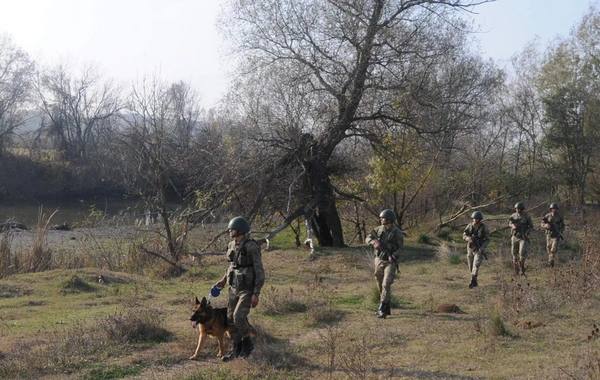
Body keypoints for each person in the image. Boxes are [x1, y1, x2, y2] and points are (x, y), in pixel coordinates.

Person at [215, 216, 265, 362]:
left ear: (241, 230)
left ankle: (247, 344)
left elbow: (259, 271)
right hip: (233, 287)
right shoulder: (231, 245)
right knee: (230, 319)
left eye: (233, 229)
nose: (230, 231)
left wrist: (256, 293)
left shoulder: (251, 247)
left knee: (238, 317)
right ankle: (236, 348)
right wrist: (224, 280)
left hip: (247, 289)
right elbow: (232, 266)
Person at [365, 209, 404, 318]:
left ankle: (382, 308)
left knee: (386, 283)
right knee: (379, 281)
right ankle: (386, 306)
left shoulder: (397, 232)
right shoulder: (378, 230)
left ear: (389, 220)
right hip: (379, 260)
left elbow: (401, 248)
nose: (381, 219)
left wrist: (394, 256)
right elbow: (367, 238)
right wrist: (374, 243)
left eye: (383, 218)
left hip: (390, 262)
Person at [462, 211, 490, 288]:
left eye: (476, 218)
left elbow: (488, 239)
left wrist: (482, 247)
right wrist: (467, 238)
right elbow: (464, 234)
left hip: (478, 248)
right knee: (470, 266)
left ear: (480, 219)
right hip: (470, 248)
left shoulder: (484, 227)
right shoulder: (469, 226)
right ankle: (474, 281)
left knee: (476, 265)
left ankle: (472, 280)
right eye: (474, 218)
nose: (475, 220)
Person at [508, 202, 534, 275]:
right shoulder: (513, 216)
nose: (518, 210)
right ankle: (516, 270)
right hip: (514, 236)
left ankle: (522, 268)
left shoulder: (527, 217)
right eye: (516, 209)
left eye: (519, 209)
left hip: (522, 237)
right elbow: (509, 223)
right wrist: (512, 226)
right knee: (514, 253)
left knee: (522, 253)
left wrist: (526, 233)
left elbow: (531, 227)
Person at [541, 203, 565, 268]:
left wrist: (560, 231)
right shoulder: (547, 216)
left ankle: (551, 262)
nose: (554, 210)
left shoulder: (560, 217)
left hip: (556, 235)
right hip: (549, 235)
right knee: (548, 248)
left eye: (555, 209)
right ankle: (551, 260)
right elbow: (542, 223)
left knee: (553, 249)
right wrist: (545, 225)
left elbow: (563, 225)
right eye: (553, 209)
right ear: (551, 209)